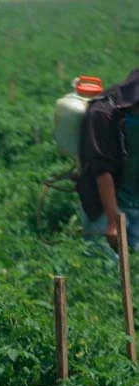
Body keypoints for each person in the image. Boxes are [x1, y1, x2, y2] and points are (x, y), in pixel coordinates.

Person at [78, 67, 139, 253]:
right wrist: (113, 223)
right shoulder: (103, 113)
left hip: (134, 200)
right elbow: (102, 170)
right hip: (105, 205)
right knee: (108, 265)